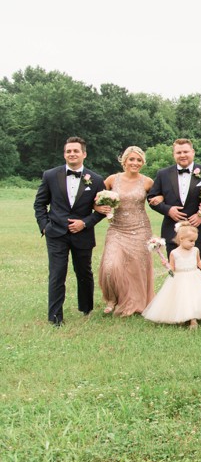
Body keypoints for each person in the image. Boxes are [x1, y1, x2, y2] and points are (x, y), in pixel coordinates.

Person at [33, 136, 106, 326]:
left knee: (84, 272)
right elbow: (40, 204)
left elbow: (103, 211)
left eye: (76, 151)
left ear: (84, 154)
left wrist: (85, 223)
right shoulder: (50, 175)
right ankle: (55, 317)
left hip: (83, 234)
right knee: (57, 273)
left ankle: (86, 308)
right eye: (68, 151)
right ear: (64, 154)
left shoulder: (97, 180)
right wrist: (44, 226)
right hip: (56, 233)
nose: (72, 154)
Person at [94, 146, 155, 317]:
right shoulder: (113, 179)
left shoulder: (148, 182)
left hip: (140, 229)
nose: (135, 163)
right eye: (132, 159)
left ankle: (135, 302)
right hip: (117, 229)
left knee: (136, 269)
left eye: (139, 160)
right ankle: (112, 299)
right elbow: (96, 199)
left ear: (142, 163)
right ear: (125, 161)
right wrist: (100, 208)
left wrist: (160, 199)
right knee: (110, 266)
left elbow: (158, 199)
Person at [148, 138, 201, 261]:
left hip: (198, 229)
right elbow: (151, 198)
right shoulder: (163, 174)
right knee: (175, 268)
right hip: (172, 229)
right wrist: (168, 210)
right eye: (178, 153)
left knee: (197, 268)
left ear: (193, 152)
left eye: (185, 152)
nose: (182, 155)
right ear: (174, 154)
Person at [142, 224, 201, 327]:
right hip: (180, 279)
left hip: (194, 277)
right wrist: (167, 265)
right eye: (191, 241)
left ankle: (193, 319)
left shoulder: (195, 250)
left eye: (194, 241)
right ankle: (182, 317)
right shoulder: (174, 253)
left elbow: (199, 262)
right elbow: (172, 269)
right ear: (181, 239)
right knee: (182, 298)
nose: (193, 243)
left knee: (193, 297)